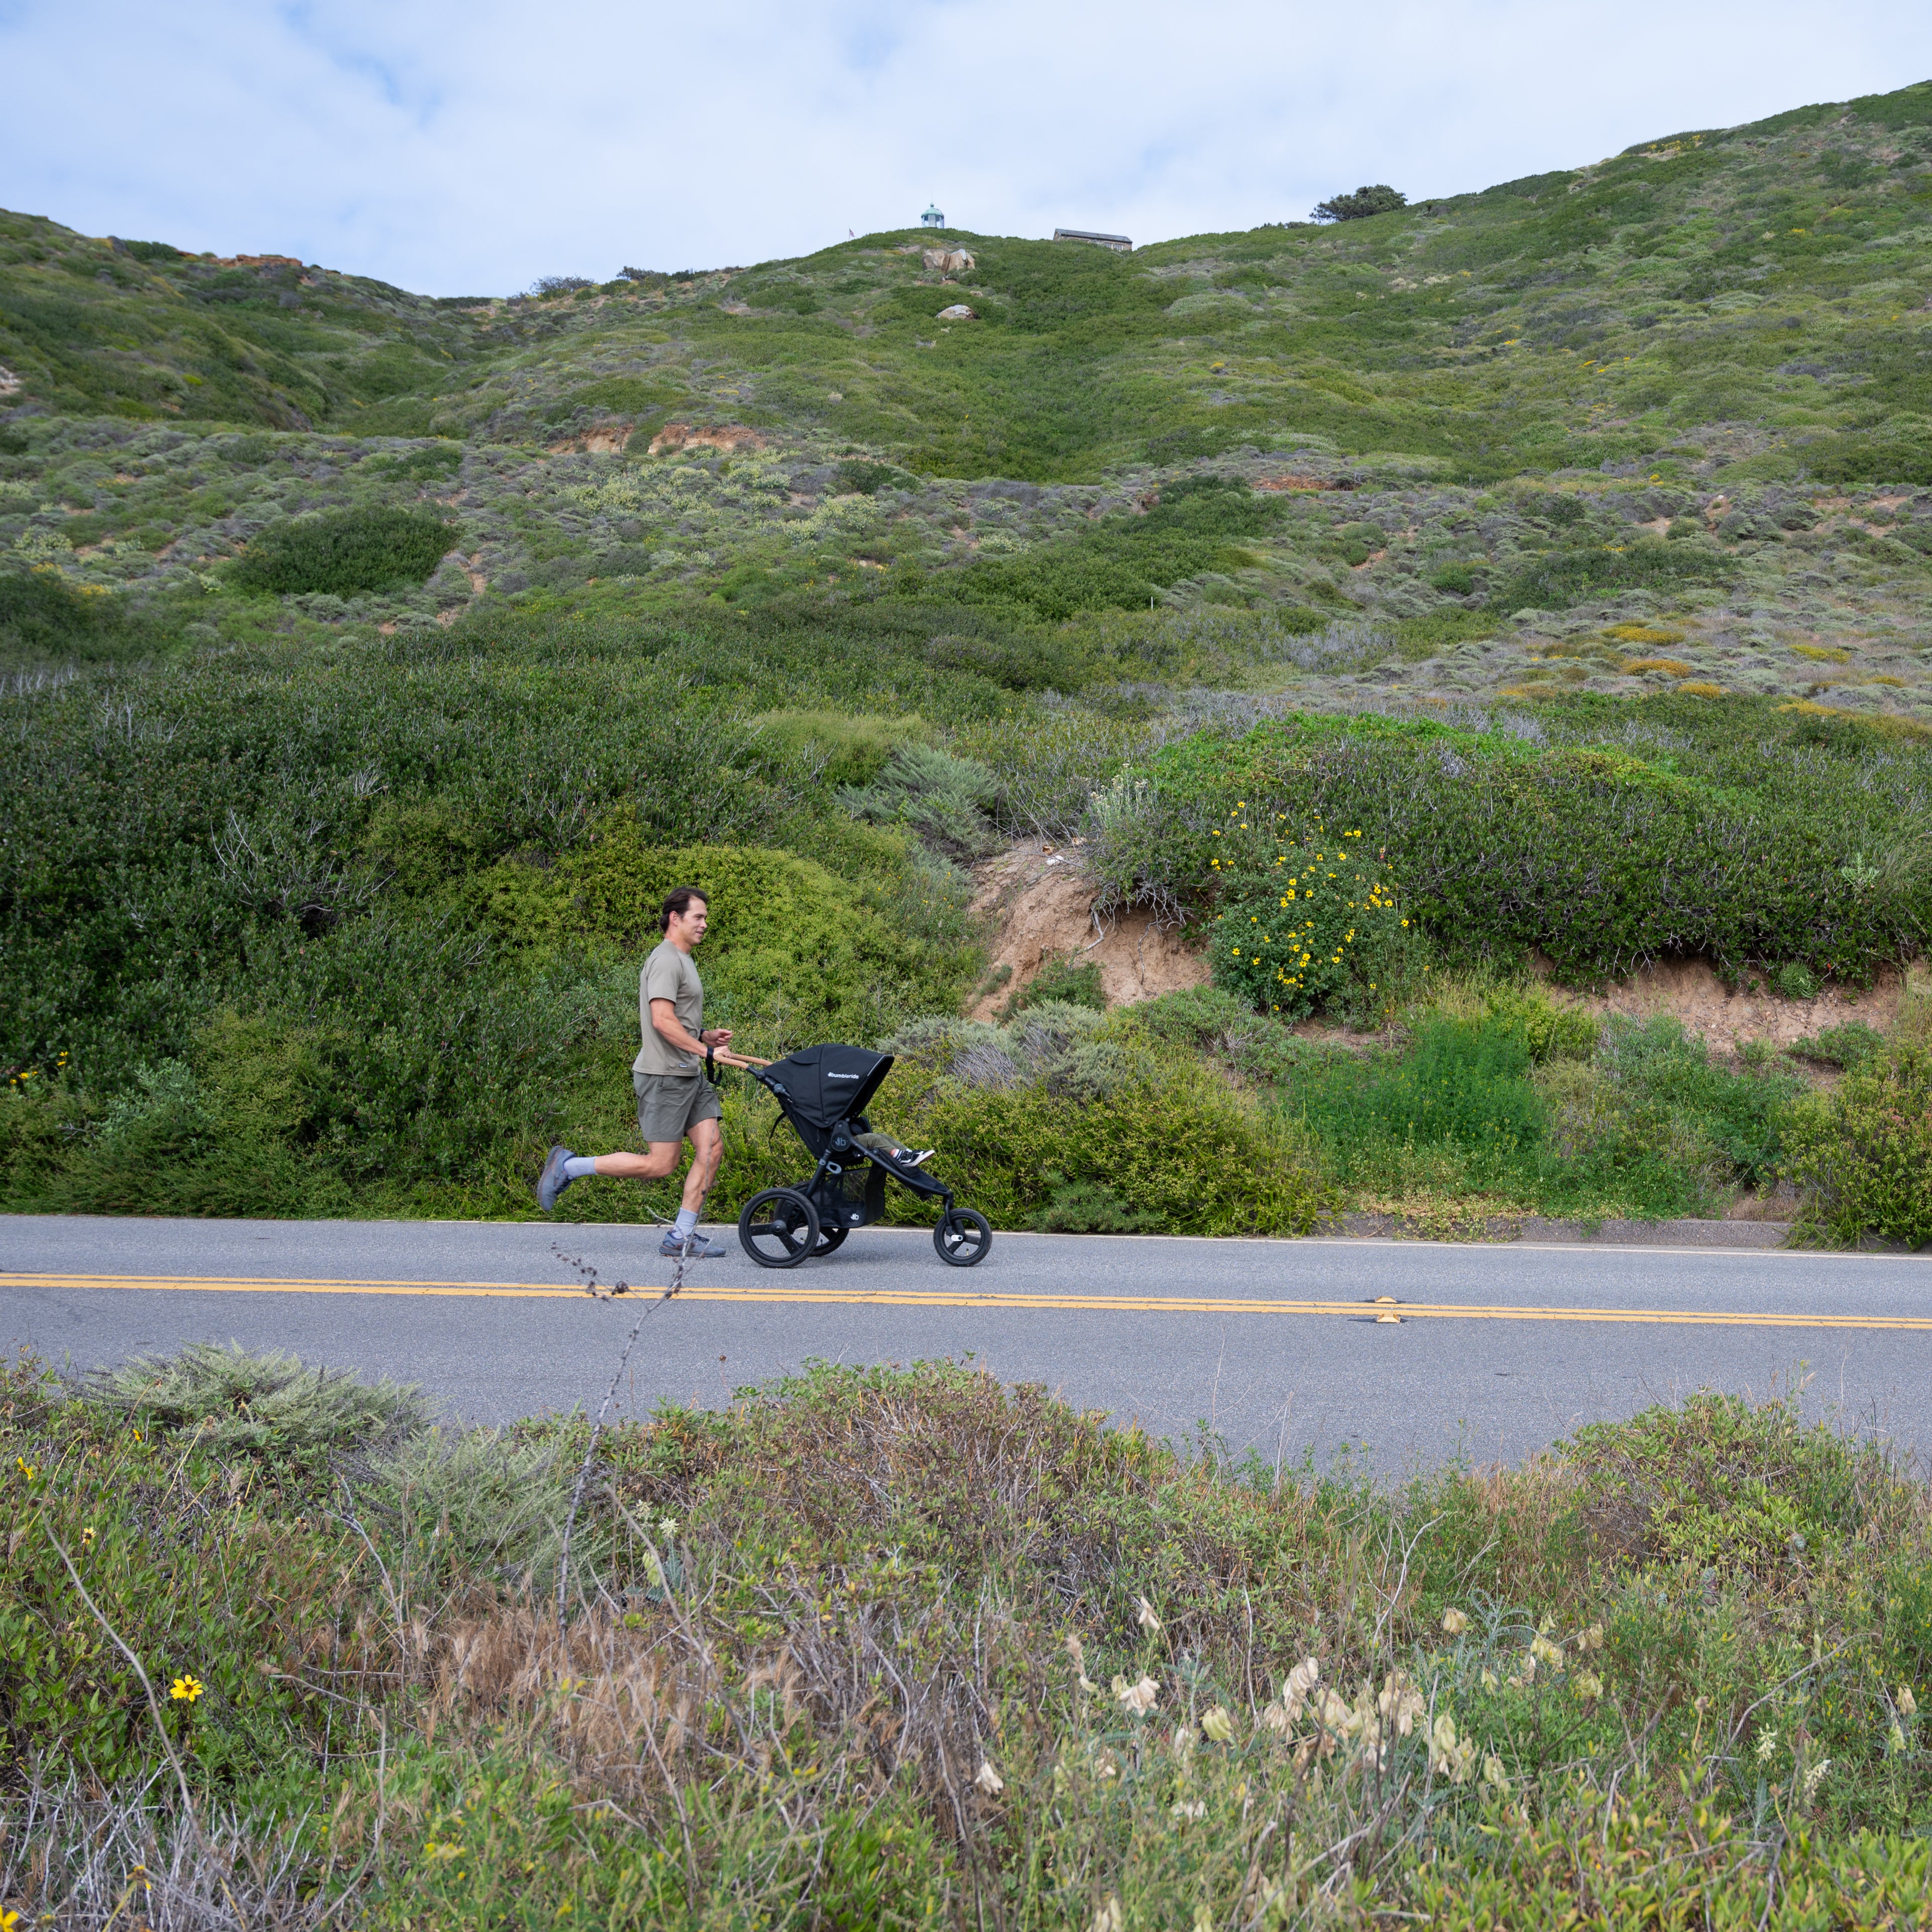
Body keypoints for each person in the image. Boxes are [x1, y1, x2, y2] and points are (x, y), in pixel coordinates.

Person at [537, 884, 758, 1256]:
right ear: (675, 918)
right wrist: (706, 1049)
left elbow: (677, 1021)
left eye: (706, 917)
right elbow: (660, 1021)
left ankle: (680, 1236)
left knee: (712, 1148)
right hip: (665, 1076)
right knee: (660, 1164)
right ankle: (570, 1166)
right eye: (698, 917)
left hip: (688, 1073)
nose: (705, 924)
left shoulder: (685, 959)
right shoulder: (666, 959)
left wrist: (704, 1034)